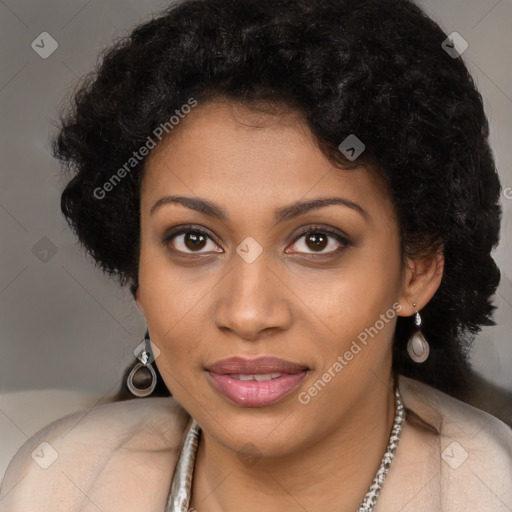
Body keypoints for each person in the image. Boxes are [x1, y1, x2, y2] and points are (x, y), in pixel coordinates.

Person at [1, 0, 511, 510]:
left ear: (415, 271)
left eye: (317, 240)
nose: (247, 314)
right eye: (194, 240)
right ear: (138, 275)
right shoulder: (56, 486)